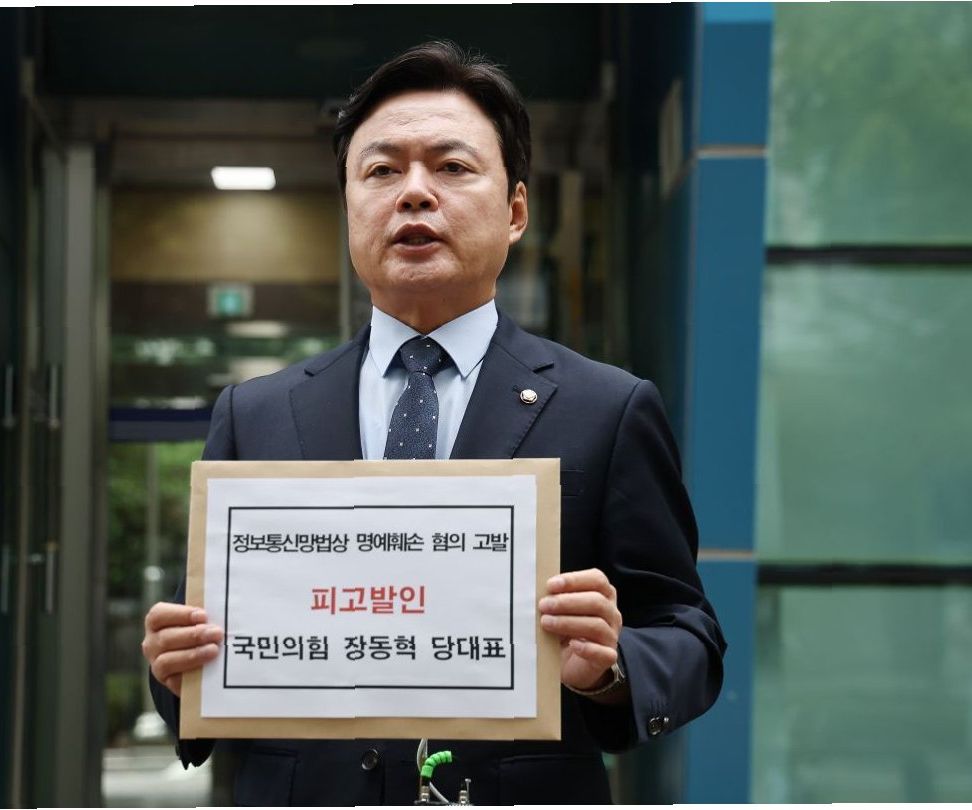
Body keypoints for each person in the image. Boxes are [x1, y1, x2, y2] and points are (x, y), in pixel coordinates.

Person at [142, 40, 725, 806]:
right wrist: (174, 668)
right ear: (349, 208)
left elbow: (688, 633)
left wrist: (612, 665)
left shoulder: (608, 408)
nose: (414, 193)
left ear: (516, 212)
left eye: (451, 167)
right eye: (382, 171)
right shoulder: (254, 414)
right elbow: (206, 661)